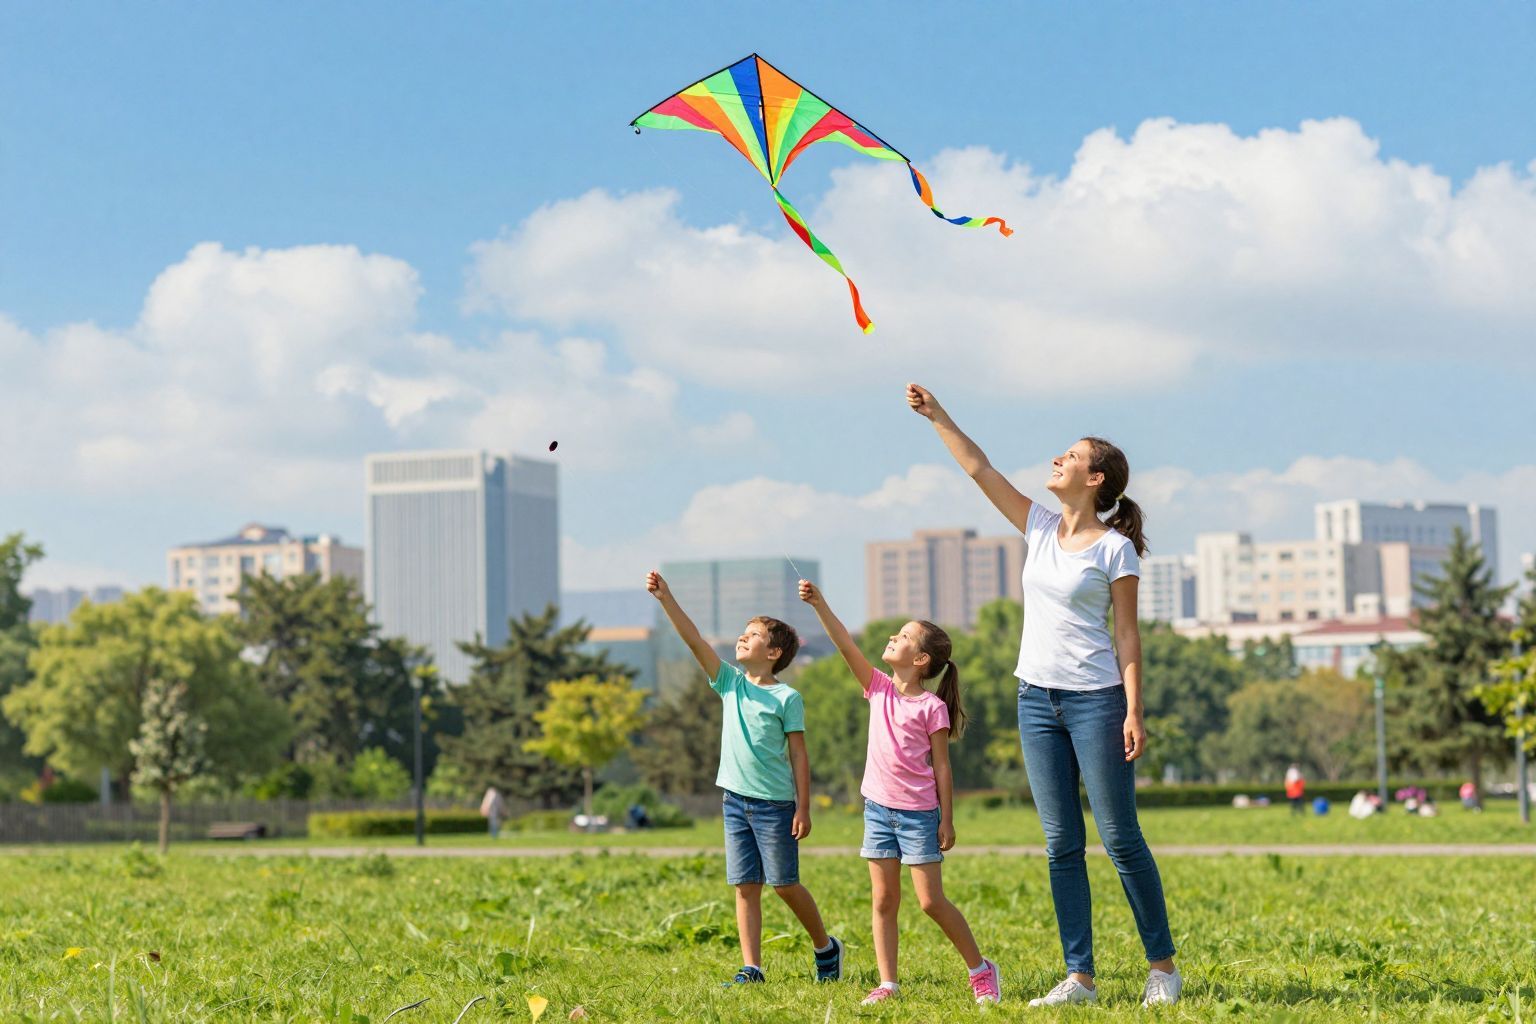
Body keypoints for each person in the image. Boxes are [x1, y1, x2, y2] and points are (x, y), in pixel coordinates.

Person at [906, 383, 1180, 1008]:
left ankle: (1162, 969)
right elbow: (979, 468)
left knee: (1119, 838)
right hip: (1035, 701)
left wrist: (1134, 708)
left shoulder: (1115, 549)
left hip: (1096, 702)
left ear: (1096, 477)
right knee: (1060, 843)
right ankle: (1079, 976)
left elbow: (1128, 636)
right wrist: (938, 415)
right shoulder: (1036, 525)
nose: (1058, 459)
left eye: (1070, 455)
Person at [799, 579, 1002, 1007]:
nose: (893, 637)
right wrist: (820, 604)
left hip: (918, 815)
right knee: (884, 899)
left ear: (922, 659)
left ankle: (981, 970)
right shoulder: (877, 687)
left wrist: (947, 818)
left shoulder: (933, 707)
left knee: (930, 902)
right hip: (877, 810)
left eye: (904, 636)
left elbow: (942, 767)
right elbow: (843, 644)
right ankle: (888, 983)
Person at [646, 570, 844, 986]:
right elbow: (695, 641)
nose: (741, 638)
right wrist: (667, 599)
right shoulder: (729, 683)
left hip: (775, 805)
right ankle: (751, 967)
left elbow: (799, 755)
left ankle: (826, 946)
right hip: (734, 801)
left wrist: (804, 807)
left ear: (773, 652)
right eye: (742, 632)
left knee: (785, 885)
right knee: (744, 886)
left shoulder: (786, 698)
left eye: (751, 635)